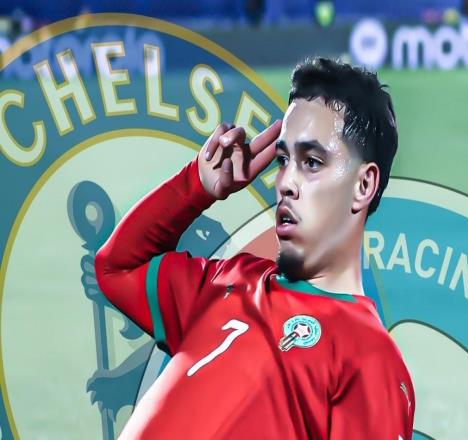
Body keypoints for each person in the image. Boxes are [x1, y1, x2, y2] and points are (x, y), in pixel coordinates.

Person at [95, 57, 415, 439]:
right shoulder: (227, 281)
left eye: (312, 162)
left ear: (364, 186)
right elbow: (117, 267)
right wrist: (196, 184)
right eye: (283, 160)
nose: (285, 183)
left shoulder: (368, 354)